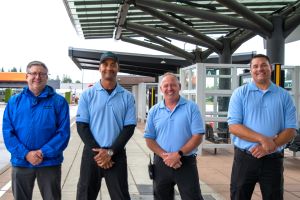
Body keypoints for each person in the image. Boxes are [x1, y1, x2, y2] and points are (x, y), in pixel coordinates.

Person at [227, 54, 298, 200]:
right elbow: (234, 126)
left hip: (273, 159)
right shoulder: (240, 94)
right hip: (245, 159)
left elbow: (291, 129)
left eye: (264, 65)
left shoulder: (284, 96)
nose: (260, 69)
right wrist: (263, 139)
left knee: (274, 196)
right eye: (255, 66)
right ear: (250, 70)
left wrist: (269, 146)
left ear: (270, 68)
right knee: (239, 195)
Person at [2, 61, 70, 200]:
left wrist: (42, 152)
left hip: (50, 162)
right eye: (33, 73)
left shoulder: (58, 102)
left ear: (46, 77)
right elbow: (8, 132)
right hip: (21, 161)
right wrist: (25, 154)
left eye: (42, 74)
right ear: (26, 76)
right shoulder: (14, 102)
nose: (37, 77)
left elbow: (63, 133)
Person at [76, 51, 136, 200]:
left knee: (121, 196)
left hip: (116, 154)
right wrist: (99, 153)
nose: (108, 68)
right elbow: (82, 126)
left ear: (117, 68)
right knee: (84, 196)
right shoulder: (87, 95)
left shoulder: (127, 97)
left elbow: (129, 128)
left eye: (112, 65)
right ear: (99, 68)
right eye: (105, 64)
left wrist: (110, 152)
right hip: (92, 155)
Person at [144, 72, 205, 200]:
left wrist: (178, 154)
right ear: (161, 89)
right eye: (166, 86)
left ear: (179, 86)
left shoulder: (191, 108)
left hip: (186, 162)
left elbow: (198, 136)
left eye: (173, 85)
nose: (169, 88)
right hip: (161, 163)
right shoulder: (154, 111)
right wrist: (166, 156)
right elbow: (149, 139)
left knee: (192, 197)